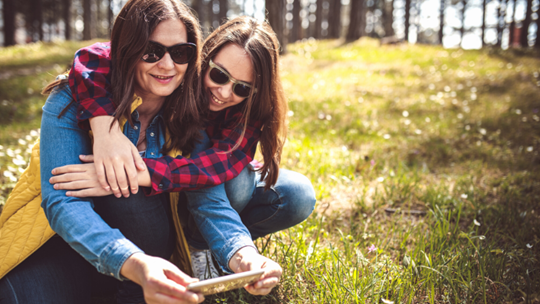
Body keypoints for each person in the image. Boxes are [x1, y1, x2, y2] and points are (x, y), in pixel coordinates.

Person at [49, 16, 317, 296]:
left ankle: (206, 247)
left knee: (289, 191)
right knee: (230, 181)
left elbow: (211, 173)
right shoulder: (178, 81)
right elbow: (92, 58)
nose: (224, 93)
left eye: (242, 88)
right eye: (219, 75)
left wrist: (143, 172)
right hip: (179, 189)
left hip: (205, 180)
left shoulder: (250, 111)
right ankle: (205, 246)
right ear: (203, 58)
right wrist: (106, 131)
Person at [0, 0, 206, 303]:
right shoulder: (69, 97)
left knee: (130, 190)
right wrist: (130, 261)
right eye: (152, 52)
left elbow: (207, 173)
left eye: (180, 52)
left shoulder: (191, 112)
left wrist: (135, 173)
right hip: (64, 242)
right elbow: (62, 203)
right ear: (127, 51)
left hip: (147, 243)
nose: (167, 65)